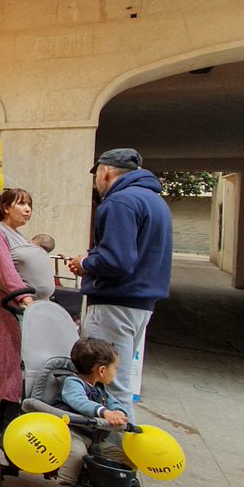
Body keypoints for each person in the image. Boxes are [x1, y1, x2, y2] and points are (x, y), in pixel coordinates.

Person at [69, 148, 172, 419]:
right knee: (115, 377)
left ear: (105, 172)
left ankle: (114, 453)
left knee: (107, 382)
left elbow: (117, 261)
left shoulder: (120, 202)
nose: (96, 184)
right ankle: (116, 448)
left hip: (114, 303)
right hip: (139, 303)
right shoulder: (155, 202)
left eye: (96, 177)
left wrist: (86, 263)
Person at [0, 188, 53, 433]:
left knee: (20, 358)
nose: (27, 209)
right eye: (21, 204)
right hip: (6, 304)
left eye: (29, 204)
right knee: (8, 358)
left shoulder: (19, 235)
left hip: (23, 307)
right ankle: (7, 414)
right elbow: (7, 272)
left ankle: (10, 411)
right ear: (6, 207)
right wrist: (27, 300)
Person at [53, 338, 140, 487]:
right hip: (73, 433)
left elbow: (114, 403)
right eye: (115, 368)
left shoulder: (100, 389)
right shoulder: (73, 383)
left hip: (96, 437)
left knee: (123, 456)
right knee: (77, 454)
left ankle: (128, 484)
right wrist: (104, 412)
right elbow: (79, 401)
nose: (116, 373)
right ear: (101, 370)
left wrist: (119, 413)